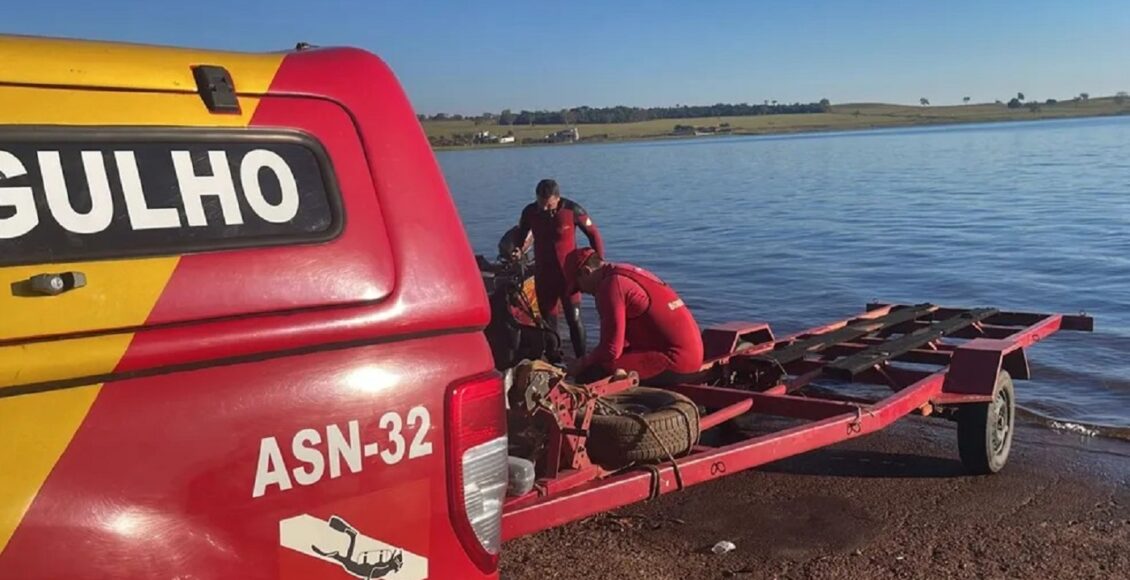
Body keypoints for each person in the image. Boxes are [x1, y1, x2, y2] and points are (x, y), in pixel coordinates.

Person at [562, 247, 704, 386]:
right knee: (600, 361)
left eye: (579, 287)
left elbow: (611, 350)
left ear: (587, 272)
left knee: (590, 373)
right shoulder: (624, 271)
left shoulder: (610, 286)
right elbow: (620, 342)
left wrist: (582, 363)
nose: (583, 292)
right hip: (693, 354)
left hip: (677, 361)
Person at [512, 179, 604, 359]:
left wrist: (598, 262)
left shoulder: (572, 210)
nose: (544, 209)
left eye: (549, 205)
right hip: (544, 275)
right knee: (549, 322)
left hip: (568, 276)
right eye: (541, 204)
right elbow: (521, 234)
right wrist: (517, 248)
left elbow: (594, 234)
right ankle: (556, 362)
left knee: (574, 320)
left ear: (558, 198)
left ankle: (581, 360)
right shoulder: (530, 212)